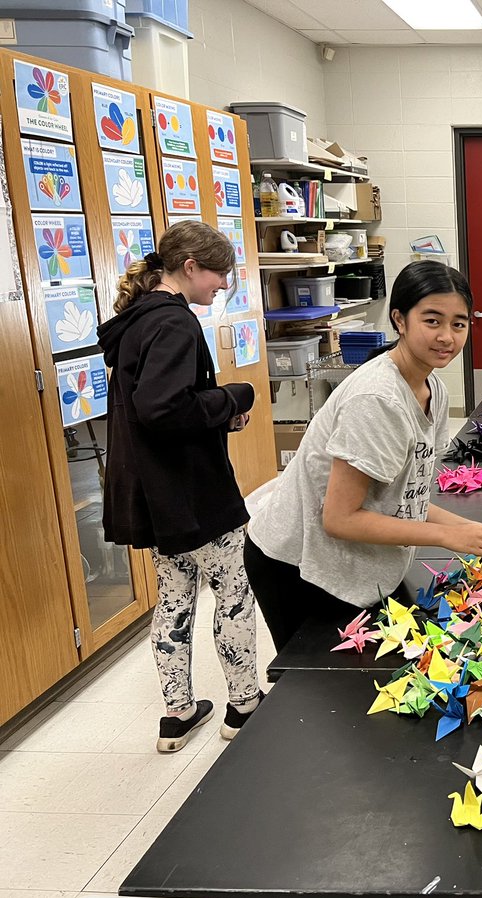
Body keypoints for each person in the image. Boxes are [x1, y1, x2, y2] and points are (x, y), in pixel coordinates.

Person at [244, 260, 482, 650]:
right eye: (432, 321)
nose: (447, 336)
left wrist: (473, 532)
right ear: (400, 320)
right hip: (300, 565)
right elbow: (339, 518)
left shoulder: (433, 385)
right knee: (324, 693)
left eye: (459, 323)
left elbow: (405, 496)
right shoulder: (377, 399)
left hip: (357, 559)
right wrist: (449, 537)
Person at [97, 220, 262, 753]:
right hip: (196, 493)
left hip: (160, 499)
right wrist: (231, 399)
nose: (221, 286)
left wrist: (211, 414)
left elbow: (155, 408)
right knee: (233, 596)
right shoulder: (174, 323)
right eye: (219, 275)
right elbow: (162, 407)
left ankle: (177, 713)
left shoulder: (136, 321)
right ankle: (243, 705)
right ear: (190, 267)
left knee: (174, 602)